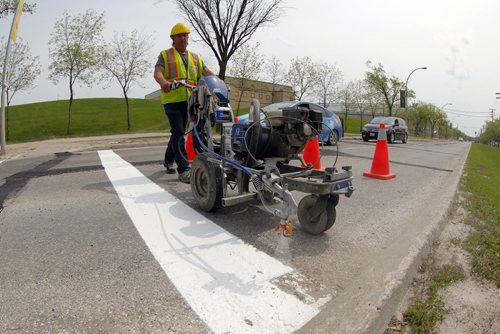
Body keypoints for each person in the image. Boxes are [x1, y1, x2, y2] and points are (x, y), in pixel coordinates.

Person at [154, 22, 215, 183]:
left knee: (177, 133)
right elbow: (158, 72)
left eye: (185, 35)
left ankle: (168, 160)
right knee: (179, 132)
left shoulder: (195, 57)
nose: (183, 38)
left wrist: (218, 81)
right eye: (180, 35)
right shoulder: (165, 55)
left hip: (190, 101)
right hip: (172, 101)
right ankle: (183, 169)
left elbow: (205, 71)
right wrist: (163, 83)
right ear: (173, 38)